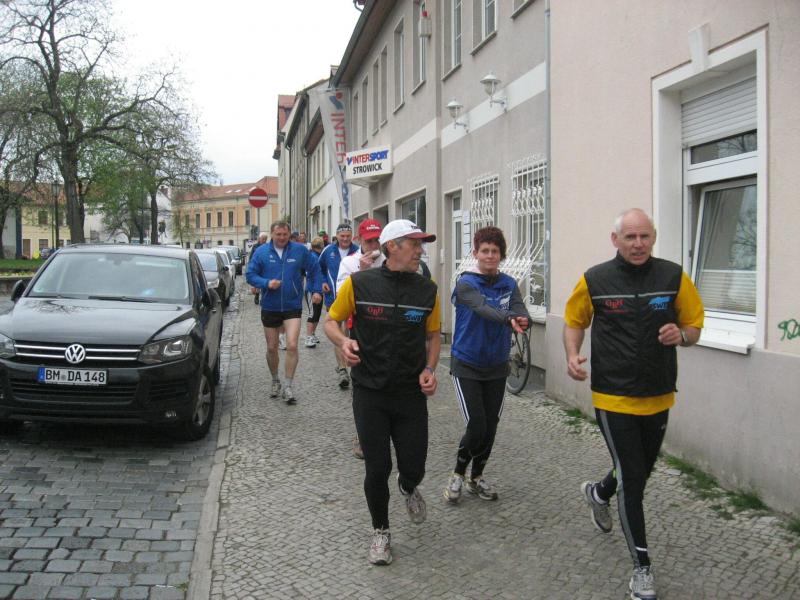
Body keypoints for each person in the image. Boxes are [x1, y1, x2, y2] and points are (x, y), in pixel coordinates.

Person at [563, 208, 704, 600]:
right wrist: (572, 355)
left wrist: (683, 336)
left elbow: (694, 325)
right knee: (633, 482)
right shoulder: (595, 279)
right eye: (630, 237)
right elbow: (574, 321)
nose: (638, 244)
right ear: (616, 240)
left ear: (653, 237)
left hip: (659, 393)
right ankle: (642, 568)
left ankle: (598, 493)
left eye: (645, 236)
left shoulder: (673, 276)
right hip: (614, 395)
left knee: (638, 472)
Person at [324, 219, 441, 566]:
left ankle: (408, 485)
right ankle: (381, 531)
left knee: (414, 466)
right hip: (370, 392)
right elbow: (330, 321)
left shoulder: (427, 290)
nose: (420, 250)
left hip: (409, 393)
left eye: (421, 244)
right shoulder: (360, 284)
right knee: (377, 468)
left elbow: (434, 336)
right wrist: (343, 342)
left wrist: (430, 369)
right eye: (414, 244)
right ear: (392, 247)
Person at [442, 226, 530, 505]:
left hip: (496, 365)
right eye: (485, 251)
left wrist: (523, 318)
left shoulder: (509, 284)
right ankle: (457, 473)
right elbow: (482, 309)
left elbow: (519, 307)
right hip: (467, 363)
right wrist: (509, 318)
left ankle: (476, 477)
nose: (490, 256)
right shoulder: (466, 284)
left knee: (490, 426)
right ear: (475, 254)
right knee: (477, 424)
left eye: (495, 251)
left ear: (501, 255)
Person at [246, 221, 323, 404]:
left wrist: (317, 290)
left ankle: (288, 386)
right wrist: (266, 283)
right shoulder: (261, 252)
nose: (281, 238)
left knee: (292, 345)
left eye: (285, 234)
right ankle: (275, 380)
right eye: (278, 234)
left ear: (289, 235)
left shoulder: (299, 250)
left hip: (292, 305)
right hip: (270, 306)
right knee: (272, 348)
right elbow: (250, 274)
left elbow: (315, 269)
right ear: (272, 234)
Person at [336, 219, 384, 460]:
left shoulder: (389, 261)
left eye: (377, 240)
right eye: (369, 241)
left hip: (388, 329)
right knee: (363, 383)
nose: (374, 245)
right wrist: (362, 273)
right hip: (361, 329)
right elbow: (341, 296)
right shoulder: (349, 262)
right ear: (359, 240)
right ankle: (361, 434)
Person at [319, 223, 359, 388]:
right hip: (333, 298)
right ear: (336, 236)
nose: (345, 239)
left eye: (348, 236)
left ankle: (354, 367)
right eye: (342, 236)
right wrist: (322, 282)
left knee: (350, 333)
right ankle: (342, 370)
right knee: (338, 332)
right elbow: (319, 268)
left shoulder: (357, 251)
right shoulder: (328, 251)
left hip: (353, 299)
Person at [304, 237, 325, 348]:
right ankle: (308, 337)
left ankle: (312, 334)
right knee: (312, 314)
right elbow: (310, 274)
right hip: (311, 289)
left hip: (318, 289)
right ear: (321, 246)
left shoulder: (319, 256)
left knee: (317, 313)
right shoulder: (312, 257)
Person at [249, 232, 268, 305]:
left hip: (265, 267)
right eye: (263, 239)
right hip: (257, 267)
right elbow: (251, 257)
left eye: (265, 239)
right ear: (259, 239)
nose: (264, 240)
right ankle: (257, 295)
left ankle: (263, 299)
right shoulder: (255, 246)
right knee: (258, 283)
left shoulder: (267, 246)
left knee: (264, 283)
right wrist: (251, 266)